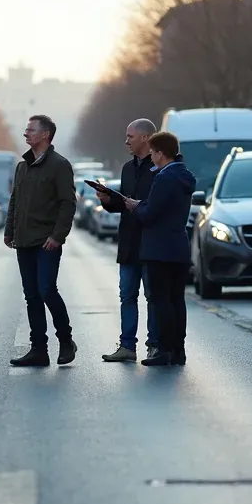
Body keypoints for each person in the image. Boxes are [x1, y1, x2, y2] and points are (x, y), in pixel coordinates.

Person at [5, 114, 79, 367]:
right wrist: (9, 231)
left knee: (47, 289)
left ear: (45, 134)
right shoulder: (22, 166)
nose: (26, 134)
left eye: (31, 130)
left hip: (46, 241)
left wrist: (58, 236)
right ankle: (39, 349)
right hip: (24, 240)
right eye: (26, 129)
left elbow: (67, 203)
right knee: (32, 295)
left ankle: (66, 340)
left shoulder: (59, 165)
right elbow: (15, 200)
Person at [124, 131, 196, 366]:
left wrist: (135, 207)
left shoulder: (164, 178)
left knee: (160, 300)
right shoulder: (184, 175)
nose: (151, 157)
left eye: (153, 152)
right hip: (178, 246)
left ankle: (164, 349)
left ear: (161, 153)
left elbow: (151, 213)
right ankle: (179, 350)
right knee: (176, 300)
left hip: (158, 248)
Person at [97, 119, 160, 363]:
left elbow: (156, 205)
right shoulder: (126, 168)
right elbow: (124, 204)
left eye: (130, 136)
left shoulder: (158, 168)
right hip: (129, 242)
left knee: (152, 296)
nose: (126, 141)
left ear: (145, 138)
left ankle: (154, 344)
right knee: (127, 295)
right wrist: (106, 200)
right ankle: (127, 346)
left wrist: (138, 206)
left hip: (151, 242)